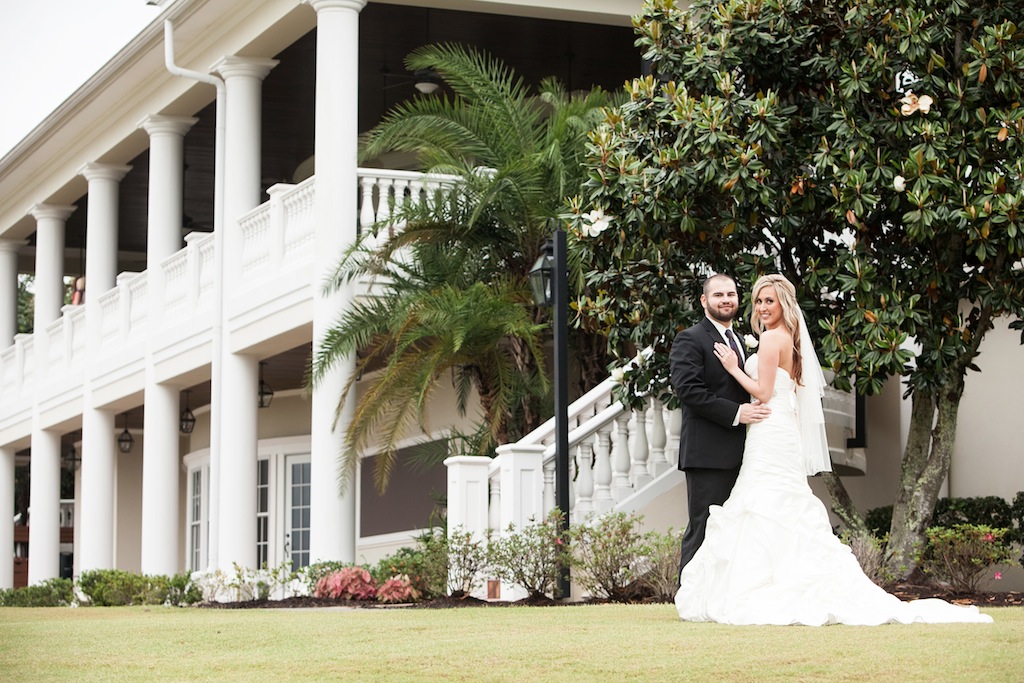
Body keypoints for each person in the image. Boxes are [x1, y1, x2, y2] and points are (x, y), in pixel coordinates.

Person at [674, 274, 992, 625]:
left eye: (768, 301)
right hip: (764, 433)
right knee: (752, 511)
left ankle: (743, 591)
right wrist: (739, 407)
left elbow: (763, 393)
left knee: (764, 506)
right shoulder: (772, 339)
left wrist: (735, 369)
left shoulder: (768, 340)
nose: (761, 307)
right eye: (758, 301)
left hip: (767, 430)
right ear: (704, 301)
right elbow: (692, 389)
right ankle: (727, 588)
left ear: (784, 304)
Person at [669, 273, 771, 576]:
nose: (726, 300)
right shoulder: (691, 338)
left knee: (734, 530)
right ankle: (688, 597)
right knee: (703, 526)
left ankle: (718, 597)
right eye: (718, 295)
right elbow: (688, 391)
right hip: (708, 454)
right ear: (704, 300)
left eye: (731, 294)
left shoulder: (739, 341)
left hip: (743, 451)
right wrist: (738, 413)